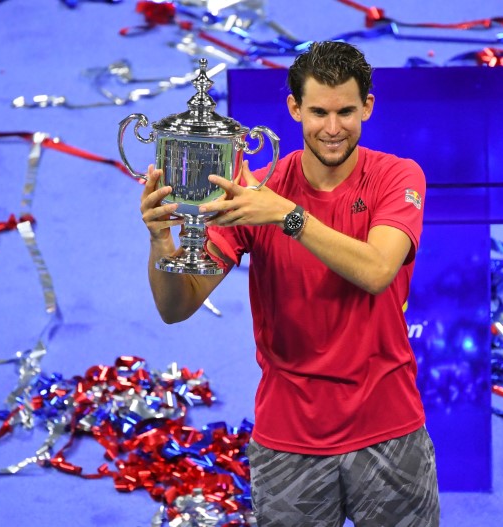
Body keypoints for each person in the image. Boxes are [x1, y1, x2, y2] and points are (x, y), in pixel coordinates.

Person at [140, 41, 439, 526]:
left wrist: (288, 216)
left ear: (368, 106)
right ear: (294, 108)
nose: (333, 127)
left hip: (389, 428)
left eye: (346, 111)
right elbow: (177, 307)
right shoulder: (253, 196)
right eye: (318, 111)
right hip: (288, 437)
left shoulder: (396, 177)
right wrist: (160, 241)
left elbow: (377, 271)